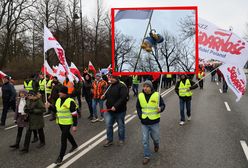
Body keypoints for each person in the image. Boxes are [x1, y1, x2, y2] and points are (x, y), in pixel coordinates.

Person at [46, 86, 78, 166]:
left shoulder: (70, 101)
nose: (59, 93)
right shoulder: (58, 100)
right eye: (59, 92)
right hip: (60, 122)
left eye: (60, 92)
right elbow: (56, 110)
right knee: (67, 135)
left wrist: (74, 125)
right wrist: (49, 106)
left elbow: (74, 114)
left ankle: (60, 158)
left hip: (67, 123)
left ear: (64, 92)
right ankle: (74, 145)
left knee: (63, 139)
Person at [136, 80, 165, 165]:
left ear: (151, 87)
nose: (145, 88)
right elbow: (138, 107)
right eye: (144, 86)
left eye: (147, 86)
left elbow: (163, 105)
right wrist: (140, 115)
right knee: (145, 140)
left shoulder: (157, 95)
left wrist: (161, 108)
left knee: (156, 138)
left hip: (154, 122)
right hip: (144, 122)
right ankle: (146, 156)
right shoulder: (140, 95)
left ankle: (156, 144)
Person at [101, 75, 128, 147]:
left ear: (116, 79)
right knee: (108, 125)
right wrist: (103, 97)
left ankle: (121, 140)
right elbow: (106, 95)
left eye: (112, 78)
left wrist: (115, 106)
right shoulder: (109, 86)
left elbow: (123, 98)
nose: (110, 79)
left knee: (121, 125)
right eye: (110, 78)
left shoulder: (122, 86)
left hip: (120, 111)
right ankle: (109, 140)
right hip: (109, 110)